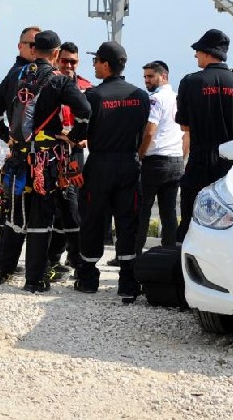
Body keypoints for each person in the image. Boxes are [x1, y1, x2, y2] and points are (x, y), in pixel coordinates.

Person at [0, 29, 90, 293]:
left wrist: (6, 135)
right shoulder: (58, 80)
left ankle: (2, 271)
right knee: (42, 219)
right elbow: (85, 112)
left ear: (33, 50)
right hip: (46, 163)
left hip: (18, 159)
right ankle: (34, 279)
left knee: (15, 215)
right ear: (55, 53)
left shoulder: (15, 75)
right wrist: (73, 137)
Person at [75, 42, 150, 302]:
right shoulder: (139, 95)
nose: (93, 65)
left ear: (106, 64)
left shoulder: (93, 96)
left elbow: (81, 133)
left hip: (100, 164)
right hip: (130, 163)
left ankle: (88, 278)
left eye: (96, 60)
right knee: (128, 221)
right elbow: (144, 131)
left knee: (93, 219)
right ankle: (128, 282)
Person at [175, 29, 233, 243]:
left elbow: (185, 125)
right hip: (231, 162)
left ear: (208, 52)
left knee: (191, 216)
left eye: (198, 51)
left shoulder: (191, 82)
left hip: (201, 158)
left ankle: (184, 265)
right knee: (229, 216)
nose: (195, 55)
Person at [0, 26, 40, 270]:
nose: (35, 49)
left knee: (15, 214)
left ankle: (0, 262)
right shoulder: (19, 74)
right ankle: (4, 265)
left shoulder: (28, 73)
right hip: (25, 159)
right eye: (31, 44)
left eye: (39, 45)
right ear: (20, 46)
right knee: (17, 215)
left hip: (30, 157)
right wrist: (7, 136)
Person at [48, 41, 91, 275]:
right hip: (51, 152)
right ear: (56, 59)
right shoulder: (49, 83)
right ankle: (54, 257)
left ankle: (73, 257)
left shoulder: (85, 86)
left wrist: (79, 138)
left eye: (73, 61)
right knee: (58, 208)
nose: (68, 65)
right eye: (64, 60)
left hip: (75, 153)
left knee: (73, 207)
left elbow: (93, 120)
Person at [135, 60, 186, 253]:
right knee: (169, 212)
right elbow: (185, 133)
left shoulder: (156, 99)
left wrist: (140, 155)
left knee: (142, 210)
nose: (146, 81)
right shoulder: (178, 98)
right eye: (145, 77)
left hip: (155, 161)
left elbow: (149, 131)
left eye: (150, 76)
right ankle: (168, 253)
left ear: (163, 76)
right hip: (175, 160)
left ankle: (134, 253)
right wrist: (182, 156)